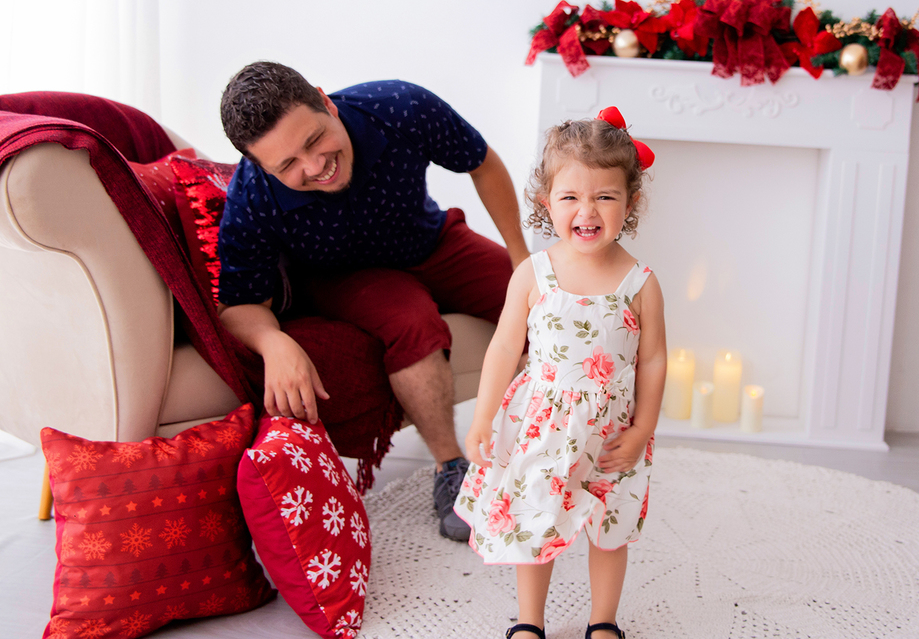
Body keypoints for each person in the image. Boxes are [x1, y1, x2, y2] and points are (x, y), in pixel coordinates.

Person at [215, 61, 529, 542]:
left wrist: (522, 259)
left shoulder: (399, 106)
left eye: (314, 139)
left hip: (431, 242)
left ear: (325, 100)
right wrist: (273, 342)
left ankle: (574, 443)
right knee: (412, 324)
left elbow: (480, 162)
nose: (314, 165)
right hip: (347, 277)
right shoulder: (251, 196)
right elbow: (238, 305)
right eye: (287, 166)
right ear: (260, 167)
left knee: (542, 297)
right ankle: (451, 469)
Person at [455, 108, 667, 639]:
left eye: (604, 196)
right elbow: (505, 347)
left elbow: (655, 358)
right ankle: (530, 622)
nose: (586, 210)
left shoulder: (640, 282)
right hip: (542, 426)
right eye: (570, 197)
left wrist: (641, 428)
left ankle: (603, 621)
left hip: (613, 431)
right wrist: (483, 417)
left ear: (630, 203)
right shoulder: (534, 273)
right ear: (546, 201)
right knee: (534, 522)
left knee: (610, 528)